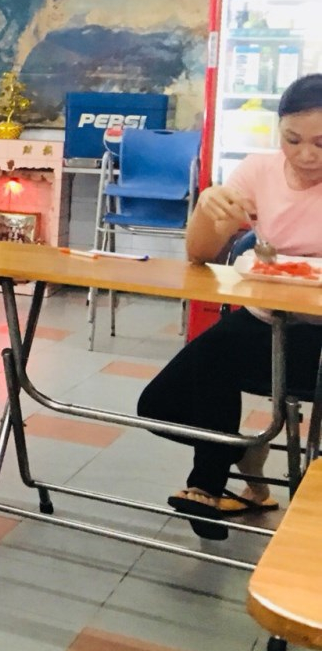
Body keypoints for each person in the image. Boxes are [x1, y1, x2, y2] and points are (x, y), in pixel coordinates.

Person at [138, 73, 322, 539]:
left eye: (321, 143)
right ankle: (237, 453)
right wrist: (207, 208)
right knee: (161, 402)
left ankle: (208, 484)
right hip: (266, 317)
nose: (306, 155)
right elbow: (199, 254)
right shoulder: (259, 171)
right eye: (293, 139)